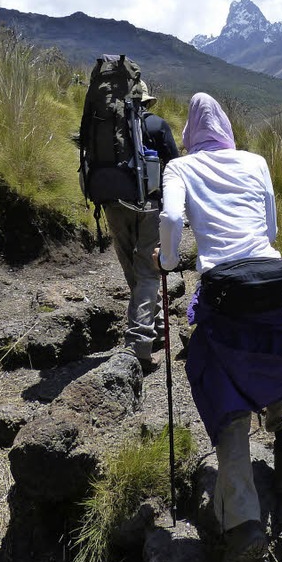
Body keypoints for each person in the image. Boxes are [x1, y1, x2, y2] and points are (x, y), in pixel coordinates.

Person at [156, 92, 282, 562]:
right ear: (227, 130)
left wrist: (169, 260)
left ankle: (244, 524)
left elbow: (172, 219)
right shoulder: (256, 161)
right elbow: (273, 228)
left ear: (191, 135)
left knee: (224, 393)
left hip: (224, 291)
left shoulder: (179, 169)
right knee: (275, 349)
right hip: (275, 275)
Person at [104, 81, 179, 373]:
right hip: (148, 206)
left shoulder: (107, 127)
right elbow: (175, 166)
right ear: (147, 102)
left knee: (132, 270)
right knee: (148, 272)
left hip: (113, 205)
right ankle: (139, 346)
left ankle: (156, 327)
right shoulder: (158, 125)